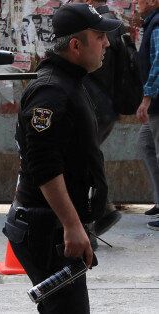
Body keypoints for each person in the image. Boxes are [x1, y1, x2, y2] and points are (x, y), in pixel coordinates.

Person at [4, 3, 120, 313]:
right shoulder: (51, 91)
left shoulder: (69, 81)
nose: (107, 43)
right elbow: (45, 167)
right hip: (46, 226)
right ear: (75, 45)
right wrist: (71, 225)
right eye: (100, 37)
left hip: (53, 223)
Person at [70, 0, 124, 238]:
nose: (105, 43)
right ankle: (102, 212)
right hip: (104, 105)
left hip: (94, 104)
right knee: (84, 160)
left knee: (78, 163)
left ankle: (89, 224)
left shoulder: (96, 26)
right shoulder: (111, 24)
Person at [135, 0, 159, 230]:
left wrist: (148, 96)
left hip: (158, 102)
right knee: (145, 143)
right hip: (156, 103)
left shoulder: (158, 24)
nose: (136, 3)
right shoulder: (151, 23)